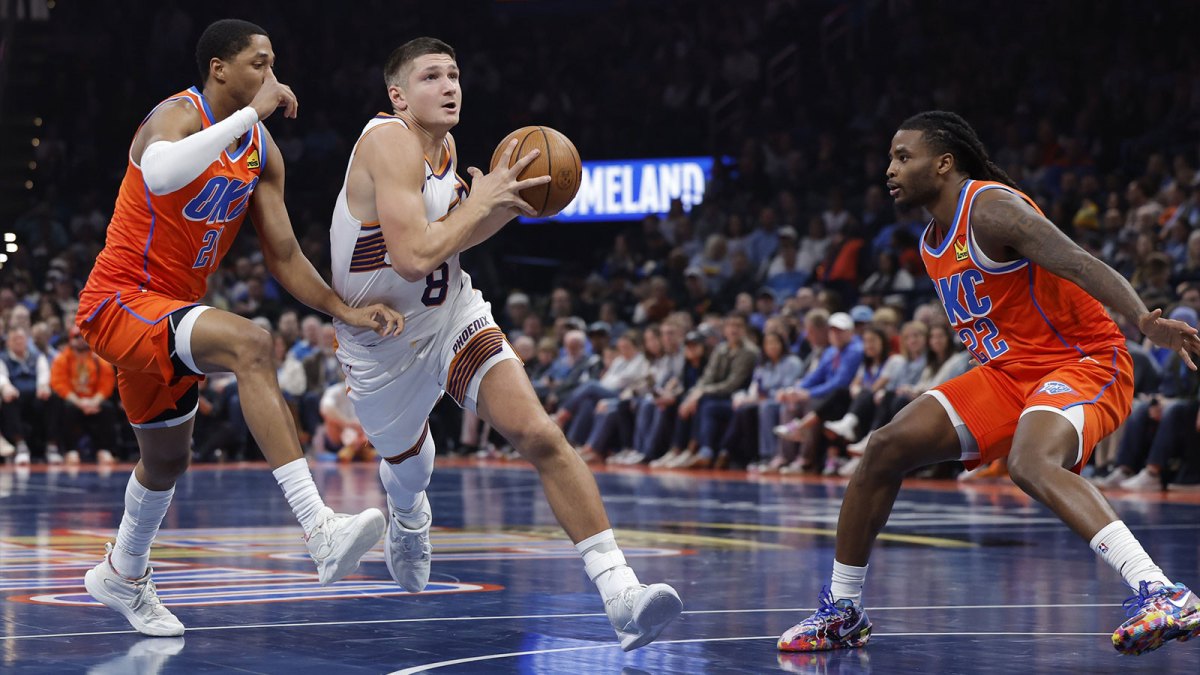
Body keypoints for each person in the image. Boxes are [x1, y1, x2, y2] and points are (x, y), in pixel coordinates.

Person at [779, 111, 1200, 656]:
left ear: (944, 162)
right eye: (890, 158)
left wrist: (1143, 319)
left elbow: (1076, 260)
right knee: (884, 447)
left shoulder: (993, 207)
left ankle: (1162, 591)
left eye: (904, 157)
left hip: (1082, 362)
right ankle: (843, 611)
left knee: (1030, 462)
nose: (890, 169)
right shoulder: (932, 238)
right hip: (1007, 374)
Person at [326, 37, 681, 651]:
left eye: (454, 74)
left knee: (540, 434)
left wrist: (509, 202)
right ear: (398, 95)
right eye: (431, 76)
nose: (449, 85)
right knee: (407, 466)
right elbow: (411, 256)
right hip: (379, 342)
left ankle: (621, 593)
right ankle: (407, 513)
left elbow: (454, 242)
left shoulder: (448, 146)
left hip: (451, 313)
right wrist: (483, 201)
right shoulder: (387, 140)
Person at [75, 19, 403, 637]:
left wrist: (344, 308)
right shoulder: (177, 115)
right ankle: (319, 529)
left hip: (170, 314)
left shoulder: (261, 152)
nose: (271, 76)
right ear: (219, 68)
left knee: (167, 460)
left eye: (274, 63)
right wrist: (249, 113)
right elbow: (162, 173)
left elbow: (282, 254)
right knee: (252, 343)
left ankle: (123, 571)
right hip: (119, 299)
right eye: (258, 62)